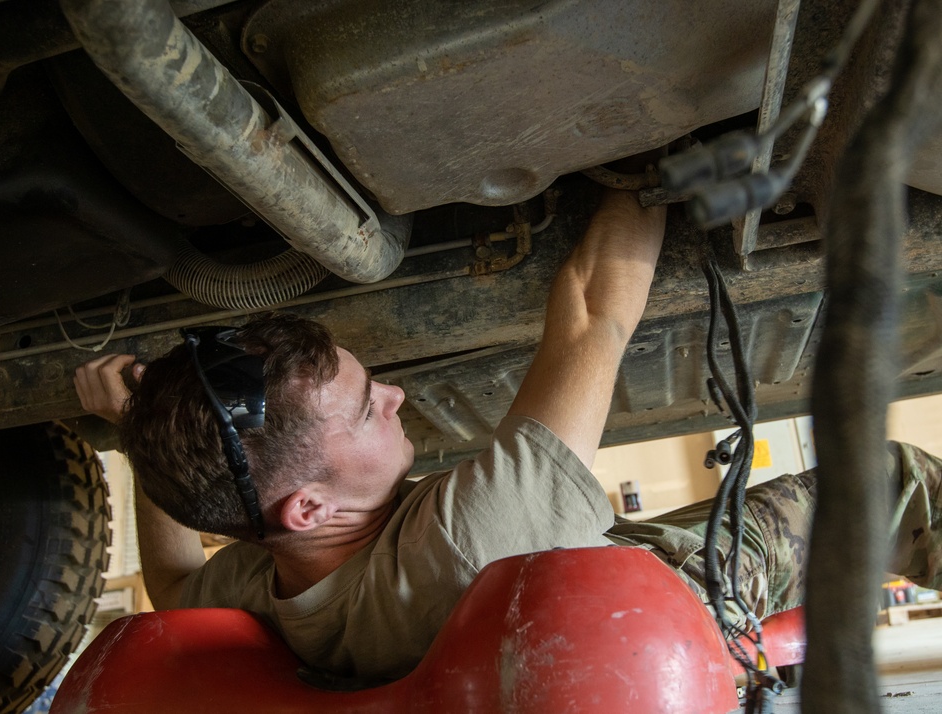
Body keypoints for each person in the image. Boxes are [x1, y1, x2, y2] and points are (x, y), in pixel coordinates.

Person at [75, 188, 942, 683]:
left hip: (555, 607)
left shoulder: (266, 586)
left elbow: (174, 579)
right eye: (366, 405)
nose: (397, 394)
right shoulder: (470, 536)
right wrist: (649, 158)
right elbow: (595, 311)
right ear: (306, 506)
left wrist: (130, 429)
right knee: (891, 479)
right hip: (675, 606)